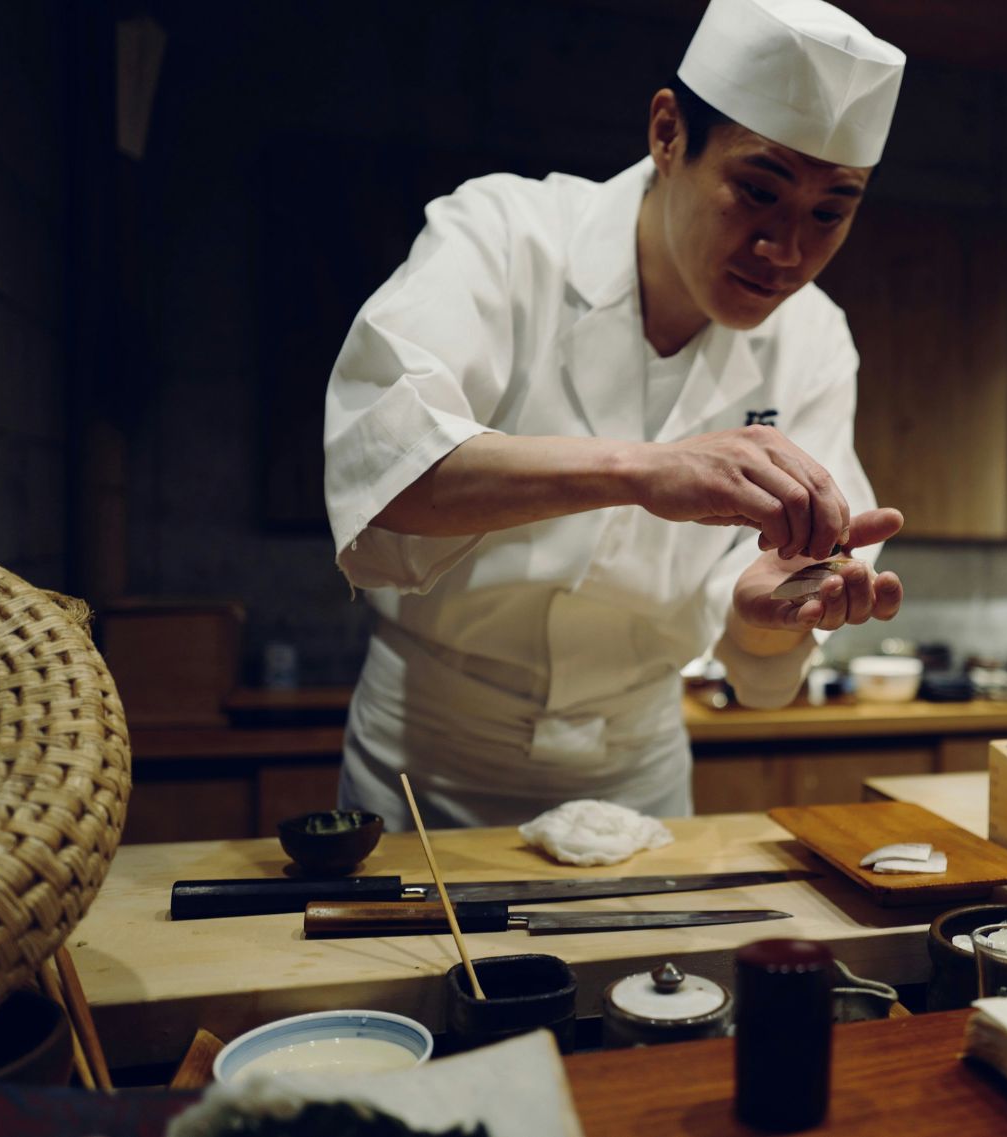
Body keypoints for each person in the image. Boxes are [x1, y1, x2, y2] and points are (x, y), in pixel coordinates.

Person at [322, 0, 907, 830]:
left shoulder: (815, 338)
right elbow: (384, 472)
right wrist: (643, 470)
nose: (784, 251)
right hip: (427, 760)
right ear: (668, 133)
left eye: (828, 212)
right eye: (756, 190)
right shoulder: (502, 234)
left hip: (639, 774)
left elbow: (760, 642)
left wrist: (766, 617)